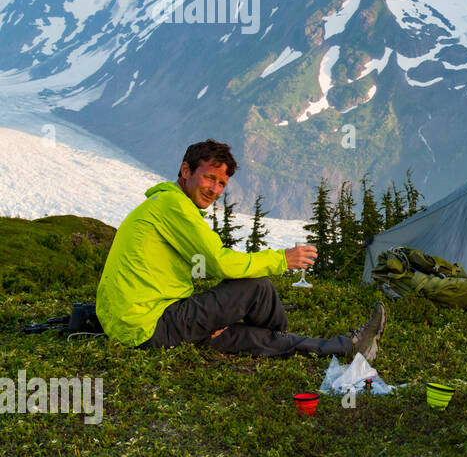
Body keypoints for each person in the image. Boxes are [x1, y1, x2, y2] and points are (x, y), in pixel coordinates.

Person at [96, 139, 386, 359]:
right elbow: (219, 263)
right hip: (150, 325)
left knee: (240, 338)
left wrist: (217, 319)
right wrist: (282, 259)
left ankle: (348, 347)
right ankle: (278, 333)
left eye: (222, 183)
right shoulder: (173, 206)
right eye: (210, 178)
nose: (215, 190)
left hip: (136, 326)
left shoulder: (165, 204)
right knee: (256, 287)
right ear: (186, 170)